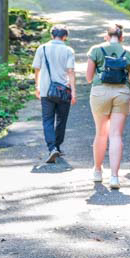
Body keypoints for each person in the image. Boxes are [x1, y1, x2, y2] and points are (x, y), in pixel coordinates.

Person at [86, 23, 130, 189]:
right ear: (122, 37)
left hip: (99, 93)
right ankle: (114, 177)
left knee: (101, 134)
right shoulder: (128, 53)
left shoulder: (96, 50)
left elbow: (88, 77)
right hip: (121, 93)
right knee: (115, 135)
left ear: (107, 36)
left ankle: (97, 171)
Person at [32, 24, 77, 163]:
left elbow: (37, 69)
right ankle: (57, 145)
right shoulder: (68, 50)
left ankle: (52, 148)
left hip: (46, 90)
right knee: (61, 120)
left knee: (48, 120)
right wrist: (74, 92)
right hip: (63, 91)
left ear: (52, 35)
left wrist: (37, 86)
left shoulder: (42, 48)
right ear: (65, 36)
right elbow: (70, 71)